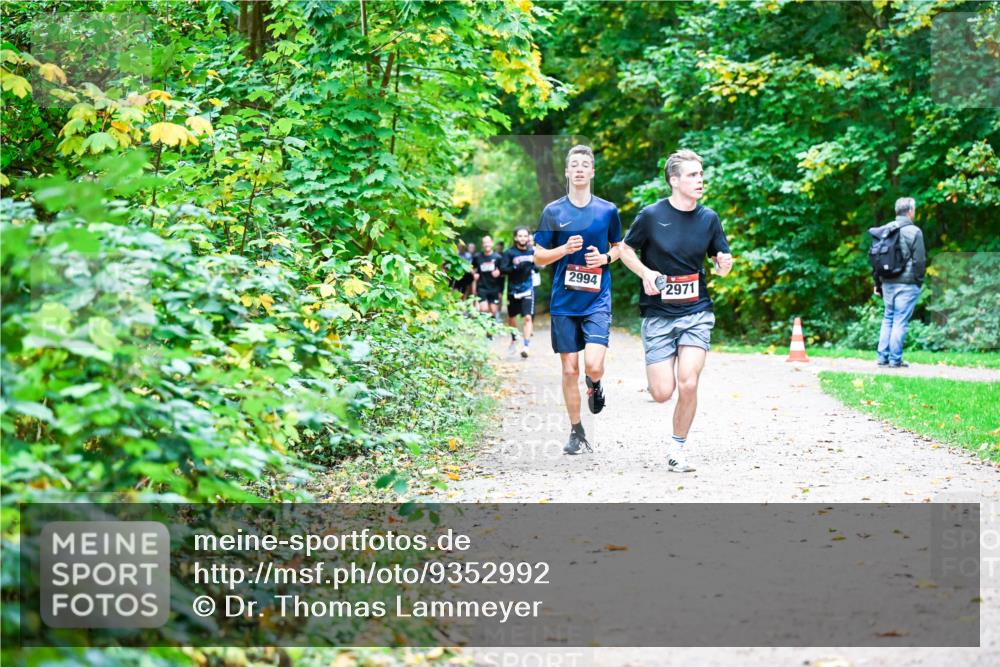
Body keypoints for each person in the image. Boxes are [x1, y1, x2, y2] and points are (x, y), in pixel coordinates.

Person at [618, 149, 733, 473]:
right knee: (661, 392)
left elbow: (720, 260)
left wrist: (724, 264)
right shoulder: (652, 216)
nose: (700, 180)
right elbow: (625, 249)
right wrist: (646, 274)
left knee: (689, 383)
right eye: (693, 175)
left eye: (701, 174)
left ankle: (677, 449)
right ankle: (657, 379)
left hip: (697, 312)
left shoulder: (709, 218)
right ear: (674, 180)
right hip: (657, 315)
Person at [533, 145, 622, 455]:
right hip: (564, 302)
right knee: (569, 370)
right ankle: (576, 430)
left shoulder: (607, 210)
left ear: (592, 172)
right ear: (568, 173)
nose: (581, 169)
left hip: (597, 298)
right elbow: (539, 256)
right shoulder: (553, 211)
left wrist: (606, 258)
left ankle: (595, 385)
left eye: (586, 164)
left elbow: (620, 247)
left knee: (593, 365)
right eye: (575, 165)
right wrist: (563, 250)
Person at [874, 197, 926, 368]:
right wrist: (918, 281)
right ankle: (895, 360)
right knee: (900, 320)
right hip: (908, 283)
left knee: (888, 317)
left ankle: (882, 358)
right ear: (910, 211)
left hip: (887, 282)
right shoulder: (914, 231)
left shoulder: (885, 229)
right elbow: (919, 261)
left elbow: (877, 259)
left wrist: (878, 283)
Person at [500, 227, 536, 358]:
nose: (522, 238)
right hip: (513, 290)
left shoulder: (532, 251)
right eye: (520, 236)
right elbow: (503, 269)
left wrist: (536, 263)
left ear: (528, 238)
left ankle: (526, 345)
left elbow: (538, 267)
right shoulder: (509, 253)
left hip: (527, 288)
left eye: (525, 236)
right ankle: (515, 339)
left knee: (527, 317)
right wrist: (514, 265)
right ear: (515, 238)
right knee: (512, 318)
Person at [472, 235, 503, 322]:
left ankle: (490, 334)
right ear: (482, 245)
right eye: (484, 243)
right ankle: (484, 330)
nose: (486, 244)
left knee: (493, 311)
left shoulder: (498, 257)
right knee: (484, 309)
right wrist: (474, 274)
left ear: (492, 243)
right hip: (482, 287)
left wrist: (499, 273)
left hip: (494, 288)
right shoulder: (477, 257)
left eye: (488, 242)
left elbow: (503, 272)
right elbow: (472, 268)